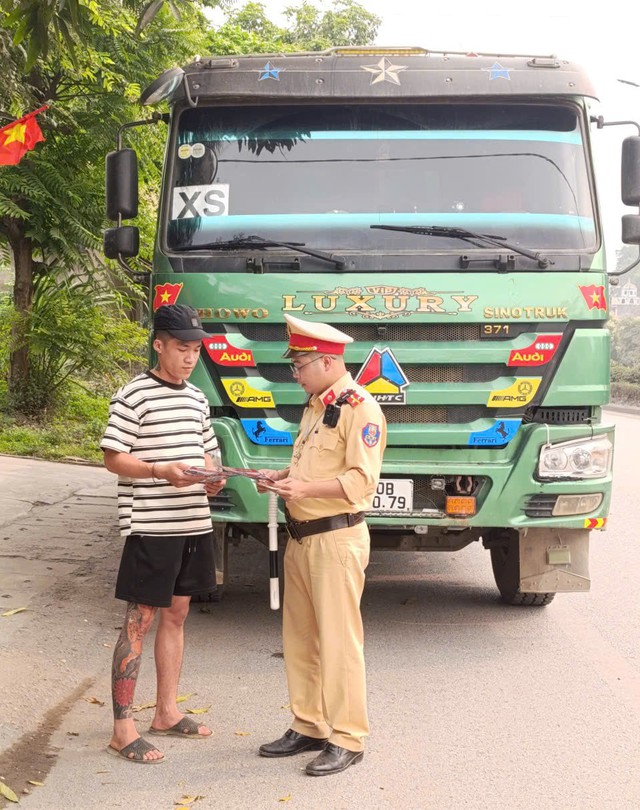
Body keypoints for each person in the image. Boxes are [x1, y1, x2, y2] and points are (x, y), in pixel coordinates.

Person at [258, 314, 387, 776]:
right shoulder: (315, 405)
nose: (295, 373)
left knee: (339, 642)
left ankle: (348, 737)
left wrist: (305, 491)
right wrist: (281, 479)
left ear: (329, 361)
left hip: (336, 538)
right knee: (301, 640)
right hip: (302, 537)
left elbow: (360, 479)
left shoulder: (360, 408)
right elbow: (311, 466)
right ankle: (308, 723)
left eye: (300, 365)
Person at [101, 304, 225, 764]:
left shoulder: (197, 397)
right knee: (140, 619)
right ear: (159, 345)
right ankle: (122, 728)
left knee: (176, 617)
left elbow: (209, 454)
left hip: (193, 521)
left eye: (195, 350)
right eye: (181, 349)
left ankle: (167, 713)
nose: (190, 358)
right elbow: (113, 457)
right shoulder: (133, 395)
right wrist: (158, 470)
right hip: (151, 526)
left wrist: (215, 477)